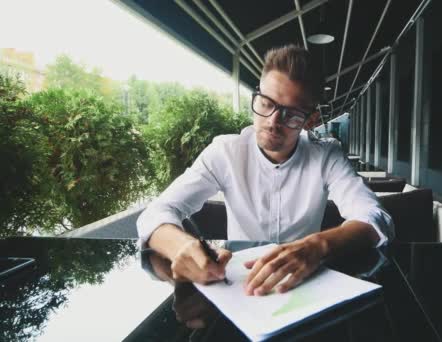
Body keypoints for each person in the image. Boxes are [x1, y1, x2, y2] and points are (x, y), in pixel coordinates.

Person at [137, 45, 394, 296]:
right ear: (257, 96)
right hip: (236, 285)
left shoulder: (326, 155)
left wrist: (318, 246)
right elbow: (155, 213)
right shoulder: (225, 152)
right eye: (266, 103)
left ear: (311, 120)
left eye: (291, 114)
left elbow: (374, 216)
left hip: (305, 285)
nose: (273, 122)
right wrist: (182, 245)